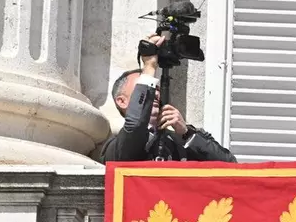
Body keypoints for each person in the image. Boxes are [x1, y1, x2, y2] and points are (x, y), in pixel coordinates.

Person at [98, 35, 236, 163]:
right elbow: (135, 126)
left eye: (156, 88)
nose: (155, 93)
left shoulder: (180, 139)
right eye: (149, 88)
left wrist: (187, 134)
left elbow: (230, 164)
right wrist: (149, 66)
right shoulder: (116, 146)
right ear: (122, 101)